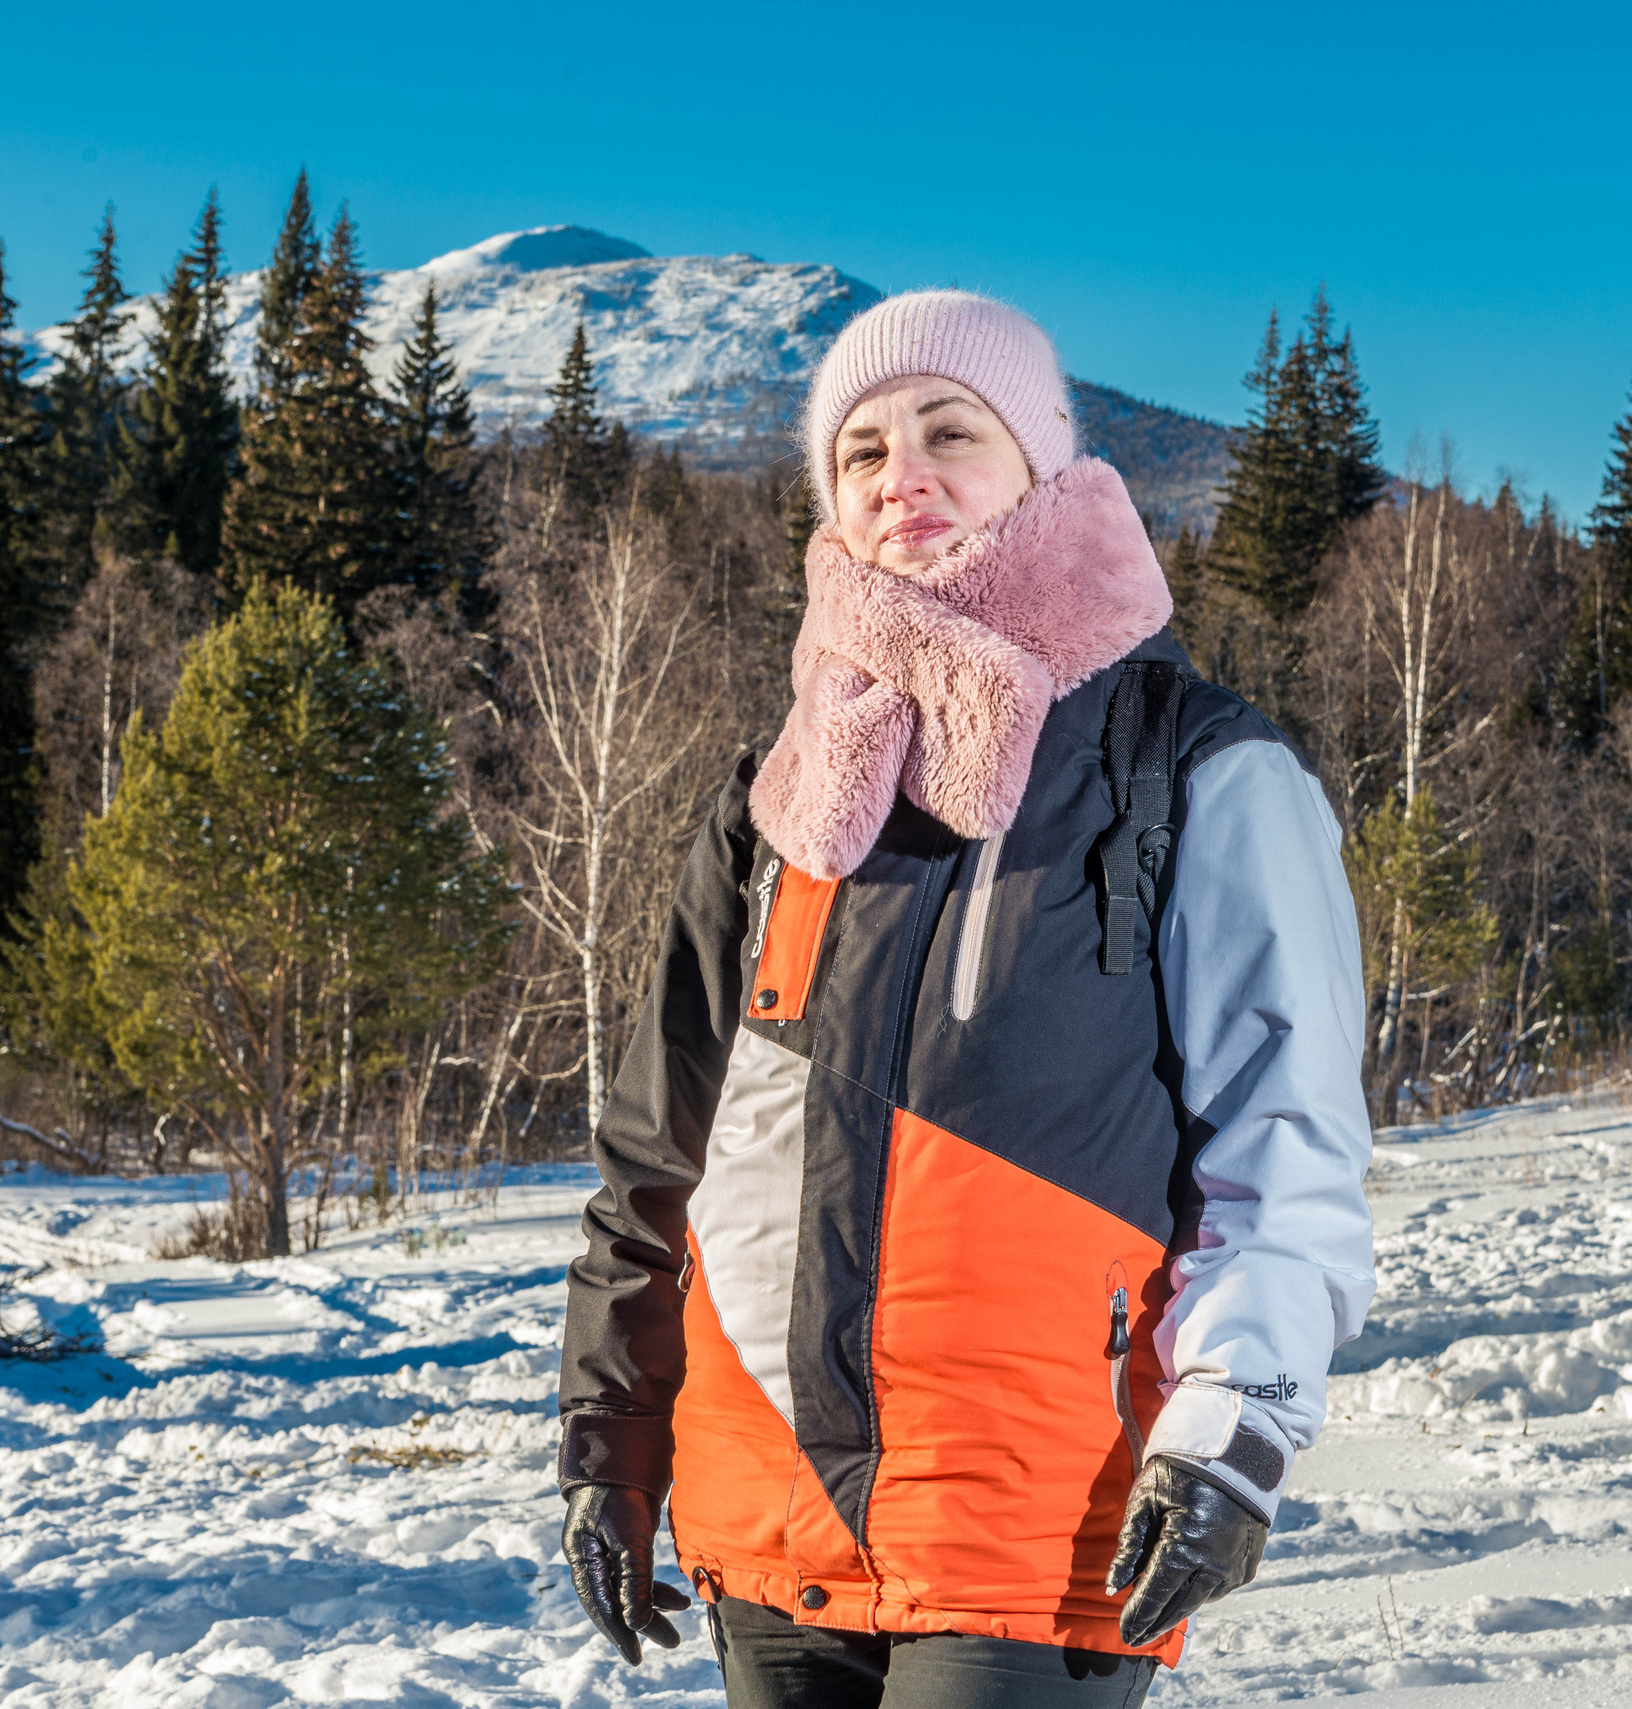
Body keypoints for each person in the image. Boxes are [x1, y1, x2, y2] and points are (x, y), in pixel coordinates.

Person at [555, 289, 1376, 1707]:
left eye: (951, 430)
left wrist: (1235, 1422)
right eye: (861, 451)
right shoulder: (775, 805)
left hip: (1036, 1519)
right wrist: (612, 1437)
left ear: (1044, 463)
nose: (902, 475)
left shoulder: (1190, 767)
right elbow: (658, 1162)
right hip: (771, 1512)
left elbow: (1287, 1142)